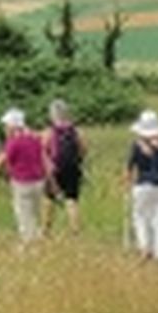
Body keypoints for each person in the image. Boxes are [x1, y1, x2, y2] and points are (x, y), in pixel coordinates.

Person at [0, 108, 48, 247]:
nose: (4, 129)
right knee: (34, 217)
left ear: (13, 126)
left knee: (24, 219)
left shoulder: (13, 142)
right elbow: (43, 160)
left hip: (22, 184)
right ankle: (34, 245)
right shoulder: (35, 138)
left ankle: (31, 250)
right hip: (39, 182)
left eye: (6, 126)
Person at [125, 109, 158, 263]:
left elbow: (130, 167)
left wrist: (127, 182)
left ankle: (145, 246)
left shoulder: (137, 145)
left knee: (140, 217)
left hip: (144, 185)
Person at [44, 99, 87, 235]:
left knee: (49, 199)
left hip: (54, 169)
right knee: (72, 200)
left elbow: (44, 150)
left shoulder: (49, 132)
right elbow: (83, 149)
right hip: (73, 168)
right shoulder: (76, 131)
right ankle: (75, 229)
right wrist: (79, 161)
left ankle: (46, 229)